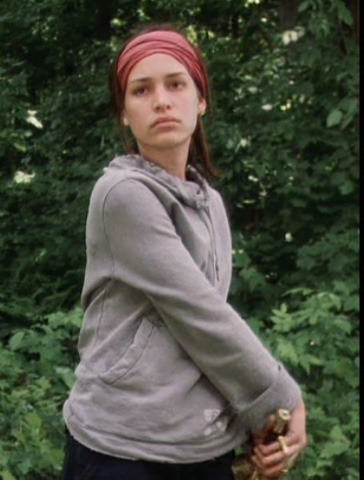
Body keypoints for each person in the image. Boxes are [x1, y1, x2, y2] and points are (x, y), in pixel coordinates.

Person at [61, 25, 307, 479]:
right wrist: (281, 398)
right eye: (141, 90)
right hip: (121, 448)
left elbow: (207, 332)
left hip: (202, 446)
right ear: (124, 113)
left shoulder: (209, 202)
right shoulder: (121, 194)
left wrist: (252, 421)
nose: (161, 101)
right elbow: (197, 313)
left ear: (201, 99)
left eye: (176, 84)